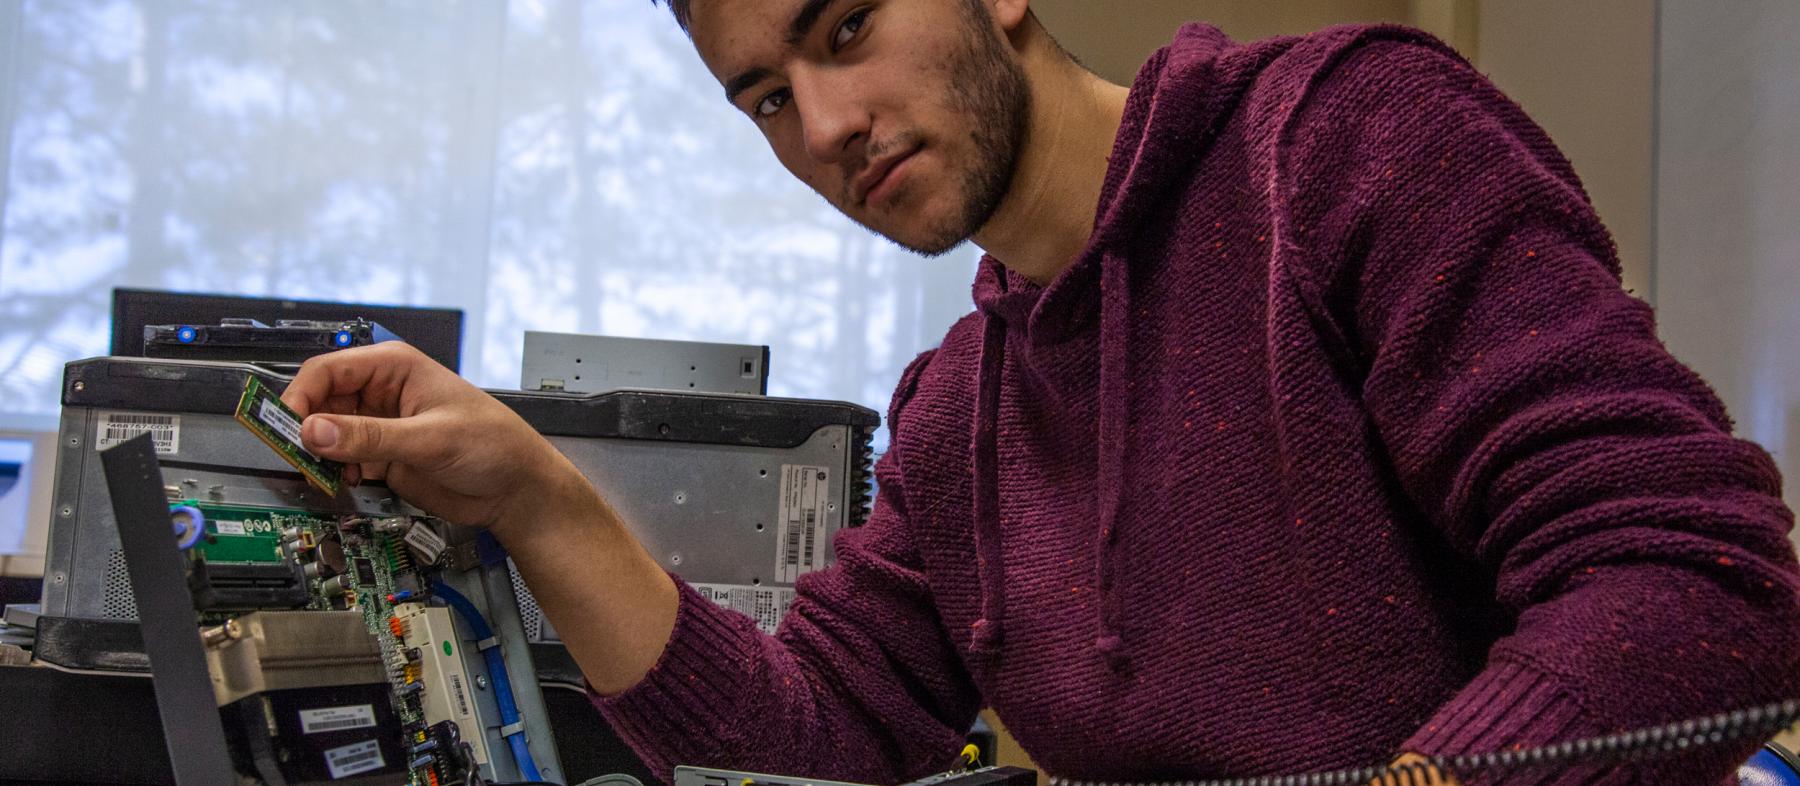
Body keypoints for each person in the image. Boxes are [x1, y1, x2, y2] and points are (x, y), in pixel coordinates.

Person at [281, 1, 1800, 783]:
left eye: (845, 25)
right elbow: (812, 739)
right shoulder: (962, 412)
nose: (823, 124)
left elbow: (1698, 580)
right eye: (763, 95)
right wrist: (538, 495)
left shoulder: (1348, 148)